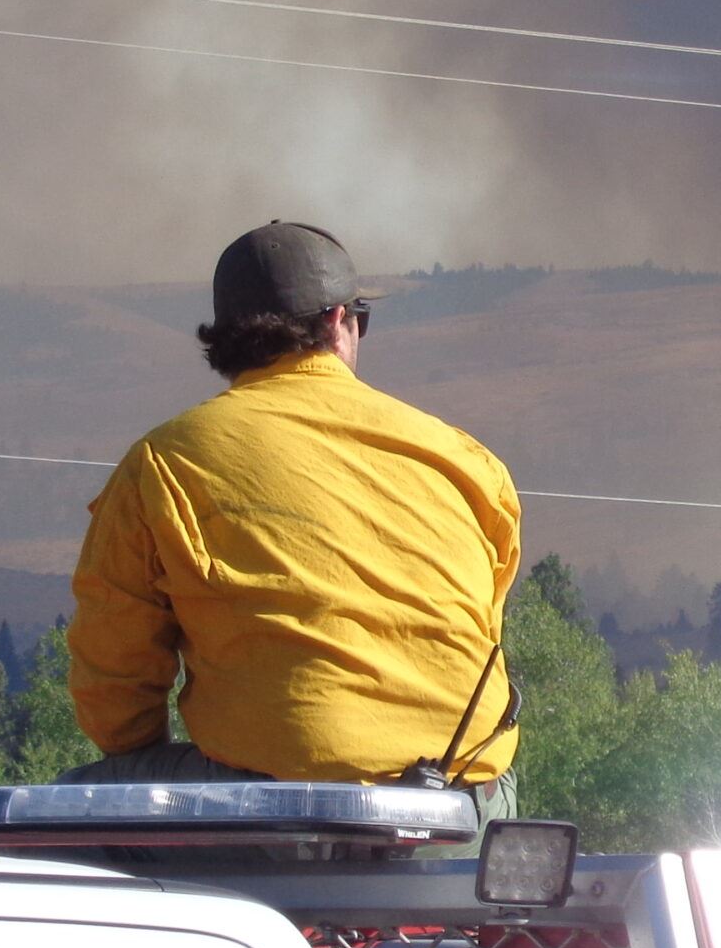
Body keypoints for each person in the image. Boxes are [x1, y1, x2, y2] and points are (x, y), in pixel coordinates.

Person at [63, 221, 520, 815]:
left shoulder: (164, 461)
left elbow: (113, 680)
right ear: (336, 320)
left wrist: (148, 761)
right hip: (464, 807)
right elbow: (482, 625)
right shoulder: (464, 459)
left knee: (76, 800)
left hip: (276, 809)